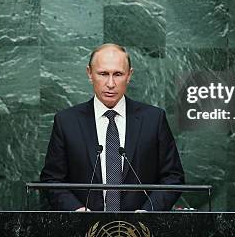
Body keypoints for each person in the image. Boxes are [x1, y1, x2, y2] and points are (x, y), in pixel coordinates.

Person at [40, 43, 184, 211]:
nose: (110, 83)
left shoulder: (153, 119)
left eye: (118, 74)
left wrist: (149, 212)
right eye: (103, 74)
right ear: (90, 74)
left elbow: (172, 177)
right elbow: (52, 180)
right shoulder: (67, 121)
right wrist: (77, 210)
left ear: (129, 75)